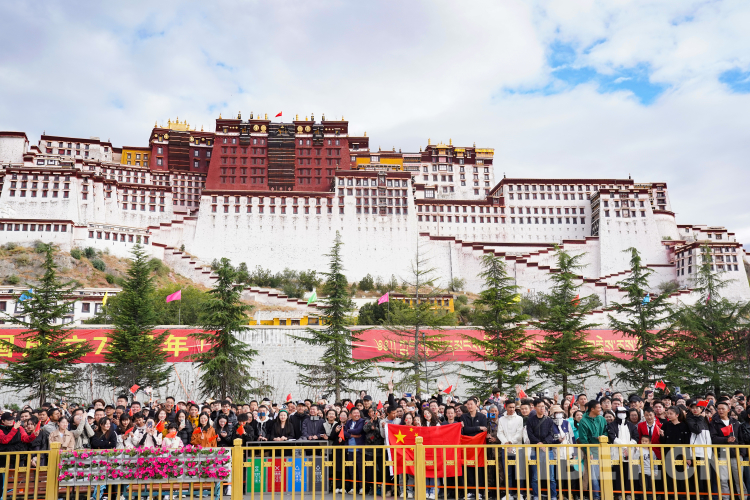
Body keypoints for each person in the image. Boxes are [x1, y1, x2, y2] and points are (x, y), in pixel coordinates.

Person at [526, 399, 558, 500]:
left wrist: (544, 443)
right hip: (535, 450)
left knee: (551, 476)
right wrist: (539, 444)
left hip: (548, 450)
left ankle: (553, 496)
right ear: (535, 408)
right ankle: (536, 495)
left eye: (543, 406)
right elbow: (530, 434)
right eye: (539, 406)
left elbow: (551, 434)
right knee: (535, 476)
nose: (542, 408)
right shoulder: (530, 420)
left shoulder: (549, 420)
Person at [577, 400, 607, 500]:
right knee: (594, 475)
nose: (600, 409)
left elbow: (606, 431)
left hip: (603, 448)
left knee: (604, 474)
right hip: (591, 449)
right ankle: (596, 496)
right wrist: (588, 451)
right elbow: (583, 439)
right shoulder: (583, 421)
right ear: (592, 409)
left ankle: (605, 495)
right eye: (598, 408)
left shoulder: (602, 419)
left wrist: (602, 437)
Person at [461, 398, 488, 499]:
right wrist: (478, 428)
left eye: (471, 404)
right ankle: (471, 491)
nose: (469, 406)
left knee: (479, 468)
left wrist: (478, 430)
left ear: (476, 405)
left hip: (479, 446)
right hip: (468, 446)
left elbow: (484, 429)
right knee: (468, 468)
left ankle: (479, 491)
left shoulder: (482, 416)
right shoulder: (464, 416)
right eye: (468, 404)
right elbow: (465, 430)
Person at [496, 401, 523, 500]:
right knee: (508, 472)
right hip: (505, 448)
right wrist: (506, 443)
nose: (512, 409)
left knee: (518, 472)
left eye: (513, 407)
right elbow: (500, 433)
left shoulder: (519, 419)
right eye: (510, 407)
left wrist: (511, 442)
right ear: (506, 407)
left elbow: (519, 433)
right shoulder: (501, 419)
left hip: (517, 448)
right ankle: (509, 493)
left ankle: (520, 493)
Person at [344, 408, 366, 495]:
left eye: (358, 413)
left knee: (360, 469)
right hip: (350, 449)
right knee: (351, 469)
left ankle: (361, 487)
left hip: (359, 449)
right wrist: (352, 435)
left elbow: (358, 430)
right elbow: (344, 432)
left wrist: (348, 431)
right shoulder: (348, 422)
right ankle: (353, 487)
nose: (357, 414)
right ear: (350, 415)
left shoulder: (362, 421)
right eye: (354, 413)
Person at [329, 410, 348, 493]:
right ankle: (337, 486)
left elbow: (350, 435)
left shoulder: (348, 425)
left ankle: (345, 487)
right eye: (341, 415)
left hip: (345, 449)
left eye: (344, 415)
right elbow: (331, 437)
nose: (342, 417)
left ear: (347, 417)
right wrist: (336, 431)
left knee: (345, 468)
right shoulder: (336, 425)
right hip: (336, 449)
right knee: (337, 468)